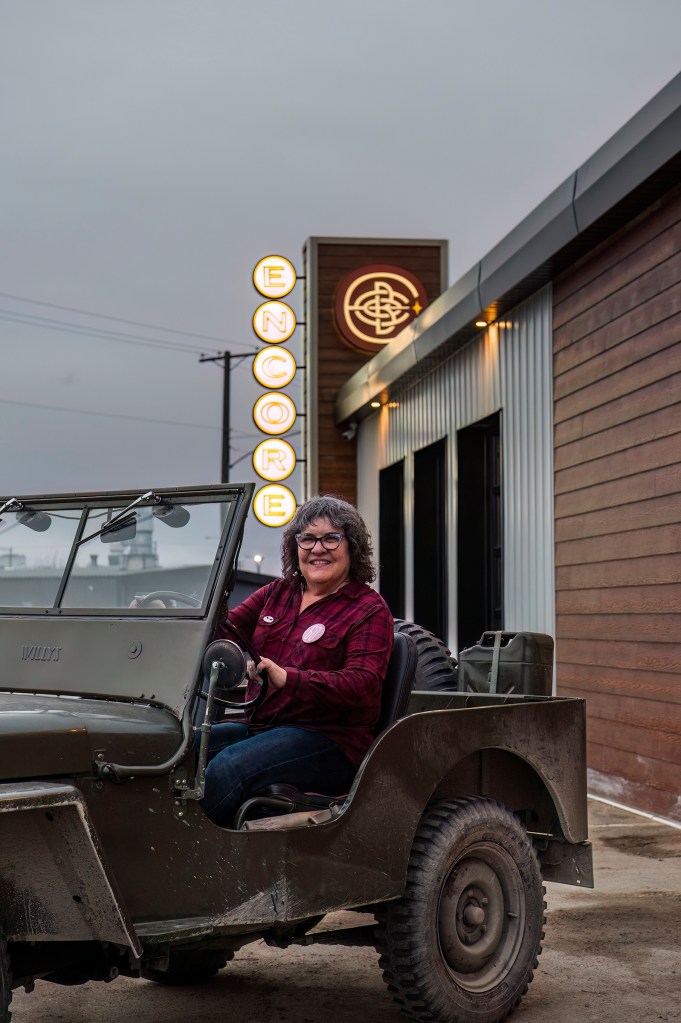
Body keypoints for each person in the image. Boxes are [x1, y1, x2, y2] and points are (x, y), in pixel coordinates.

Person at [200, 495, 394, 827]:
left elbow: (362, 685)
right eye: (308, 539)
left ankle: (185, 849)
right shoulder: (278, 593)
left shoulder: (368, 609)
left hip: (330, 741)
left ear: (352, 547)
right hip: (263, 728)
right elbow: (222, 631)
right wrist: (170, 618)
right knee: (181, 749)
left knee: (228, 768)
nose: (318, 549)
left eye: (331, 538)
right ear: (296, 546)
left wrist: (289, 678)